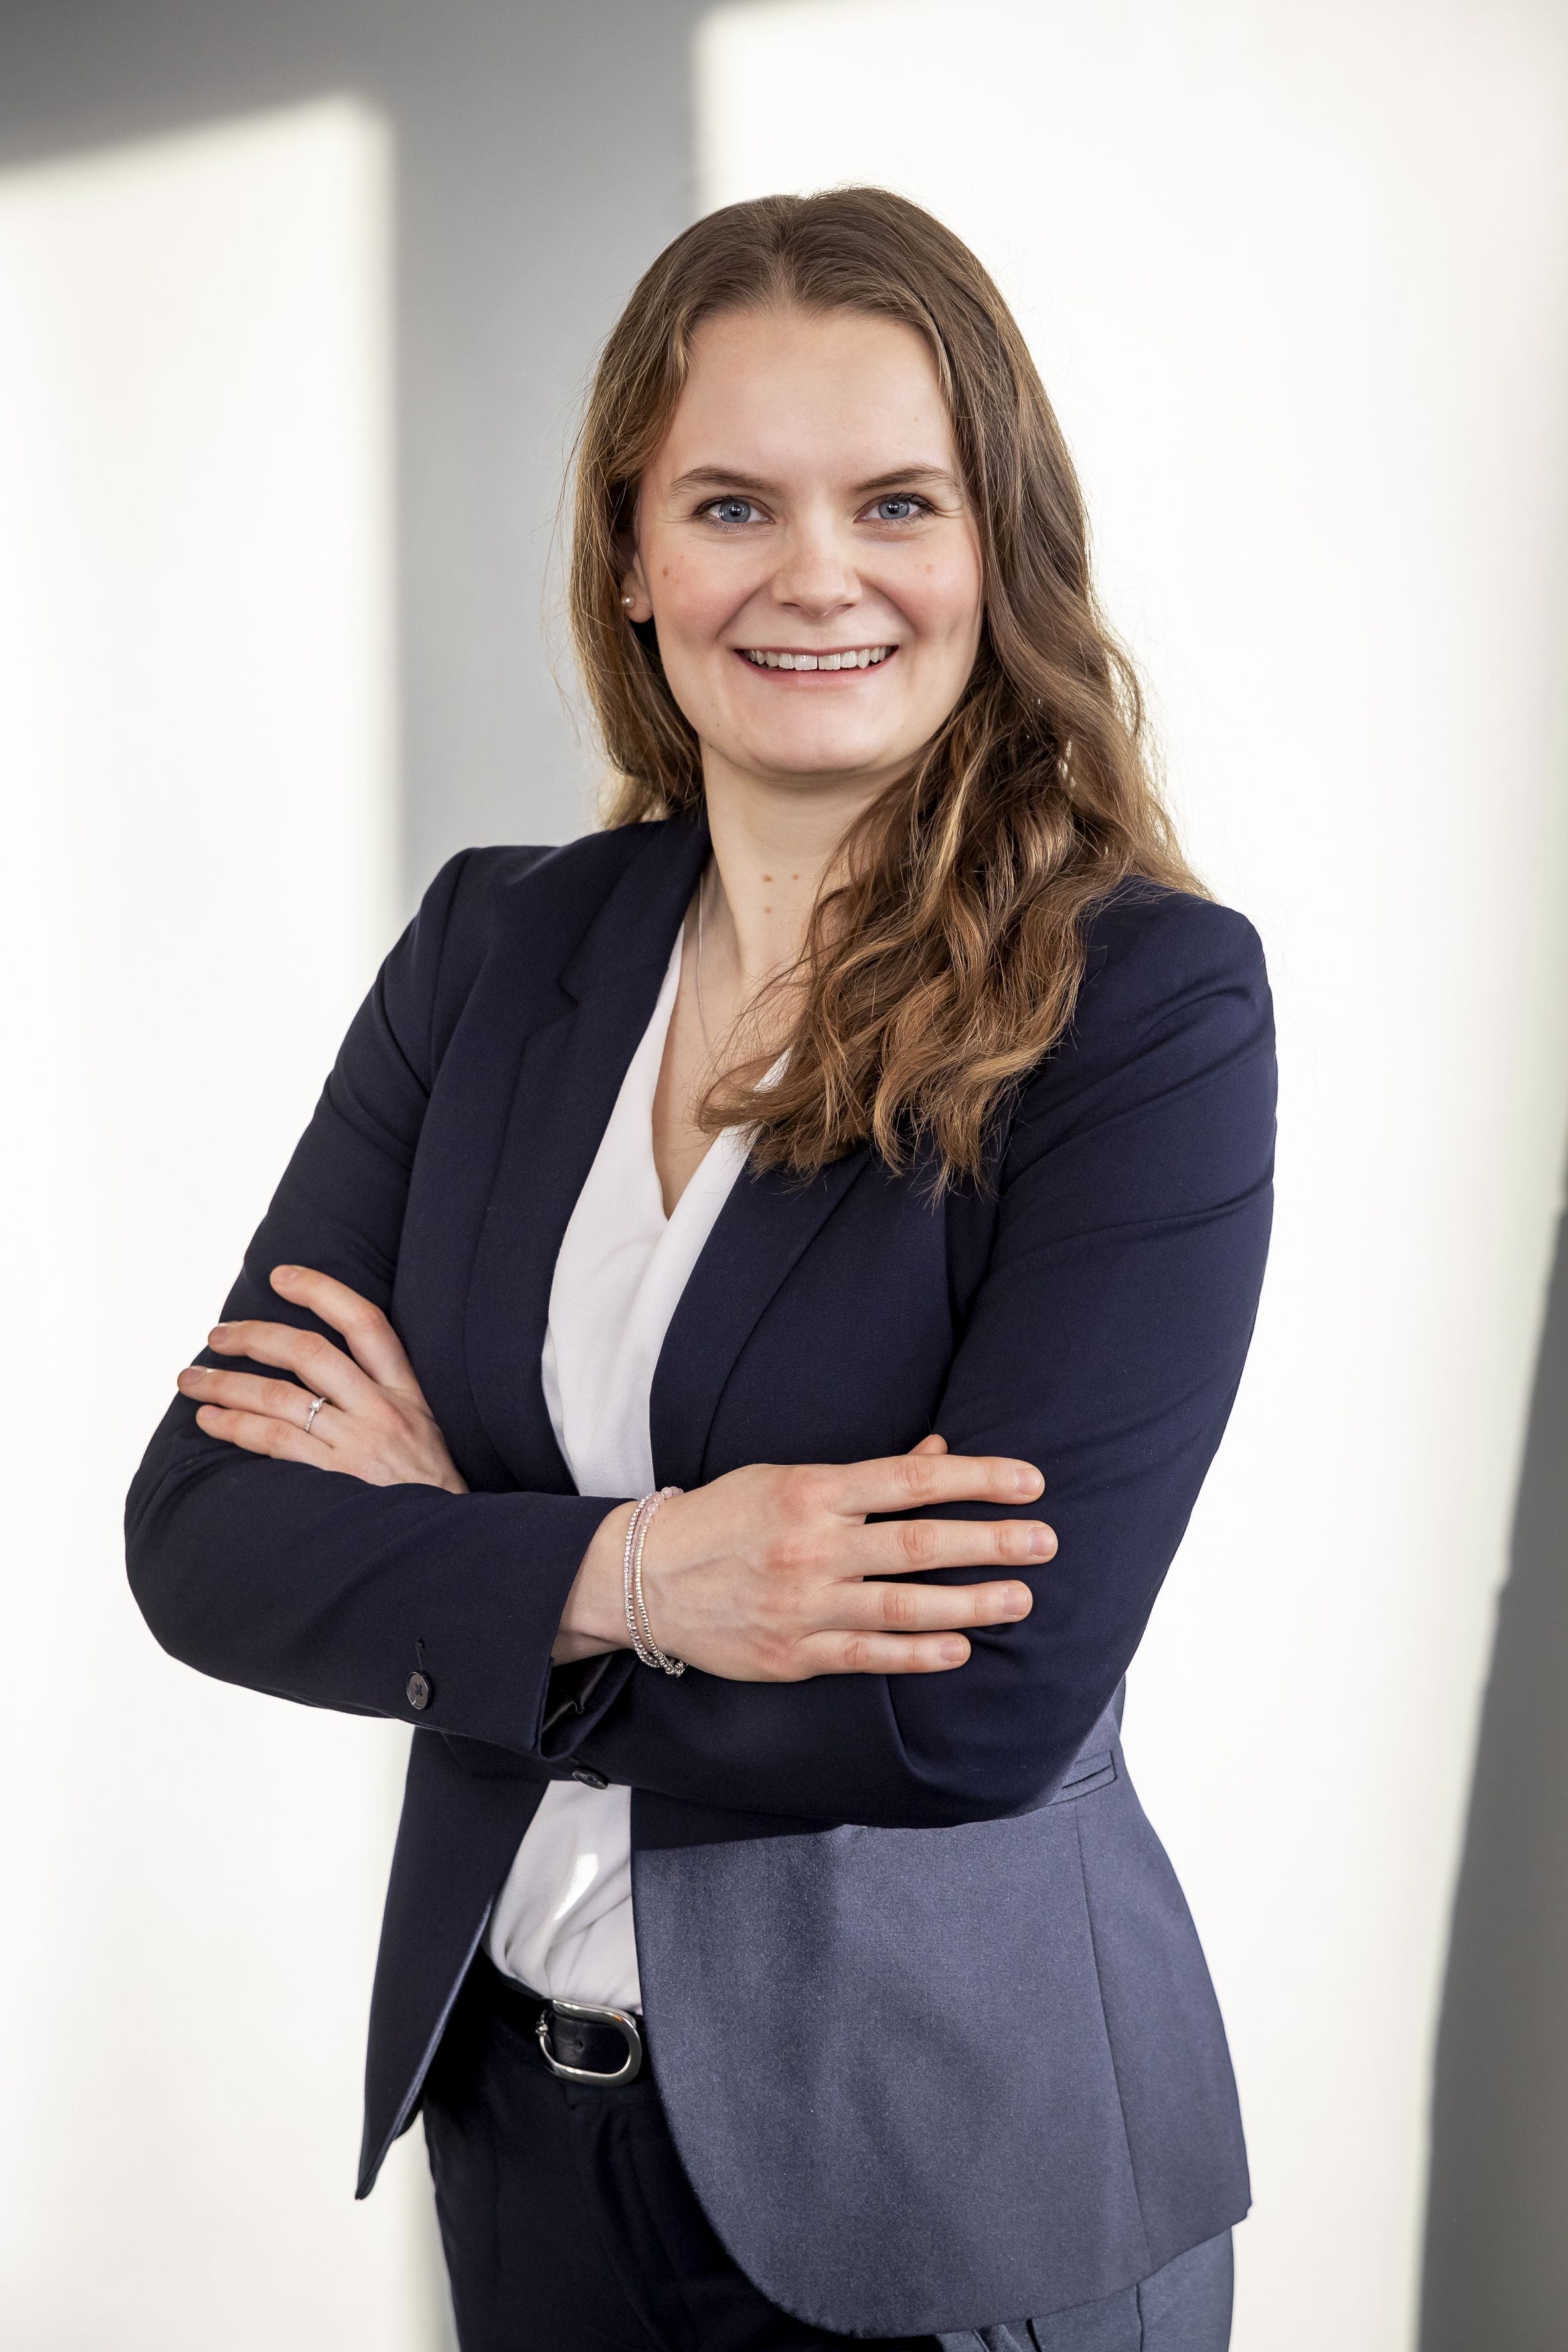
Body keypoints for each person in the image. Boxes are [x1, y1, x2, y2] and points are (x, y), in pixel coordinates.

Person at [127, 188, 1275, 2352]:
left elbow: (977, 1707)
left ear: (995, 551)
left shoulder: (1139, 1003)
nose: (814, 574)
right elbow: (204, 1536)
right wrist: (643, 1572)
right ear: (631, 559)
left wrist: (464, 1571)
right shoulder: (495, 950)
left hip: (943, 2180)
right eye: (732, 504)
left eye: (895, 503)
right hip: (524, 2132)